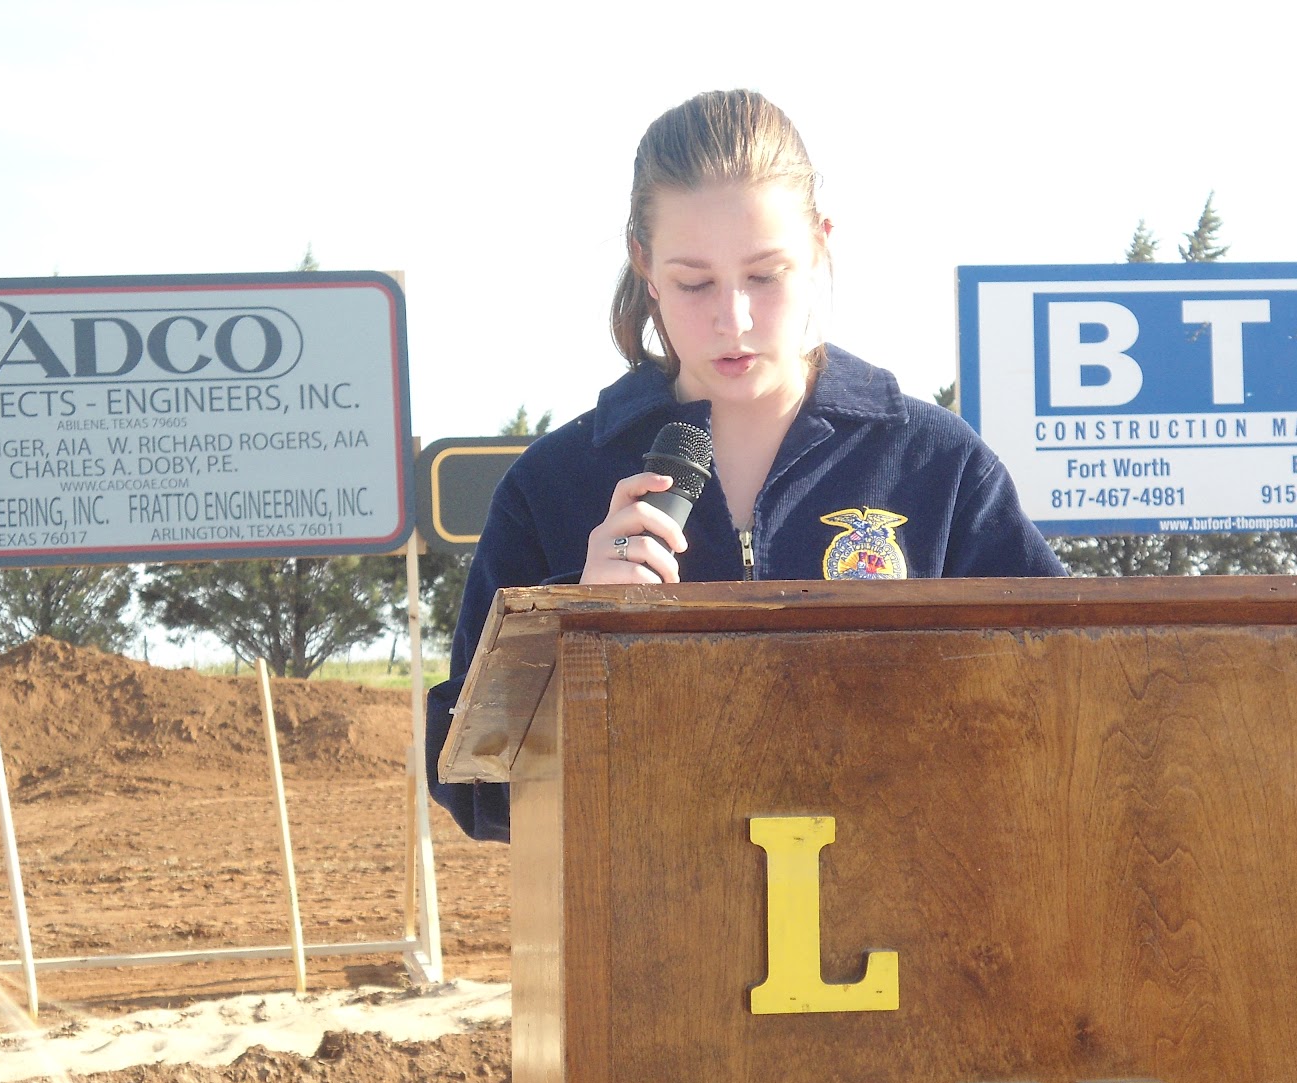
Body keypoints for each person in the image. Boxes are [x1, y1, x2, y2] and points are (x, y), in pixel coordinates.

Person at [426, 89, 1065, 840]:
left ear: (821, 244)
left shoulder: (939, 467)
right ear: (645, 264)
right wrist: (572, 627)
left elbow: (1058, 716)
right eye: (695, 283)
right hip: (650, 943)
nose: (734, 319)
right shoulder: (553, 485)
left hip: (902, 936)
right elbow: (475, 792)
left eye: (766, 275)